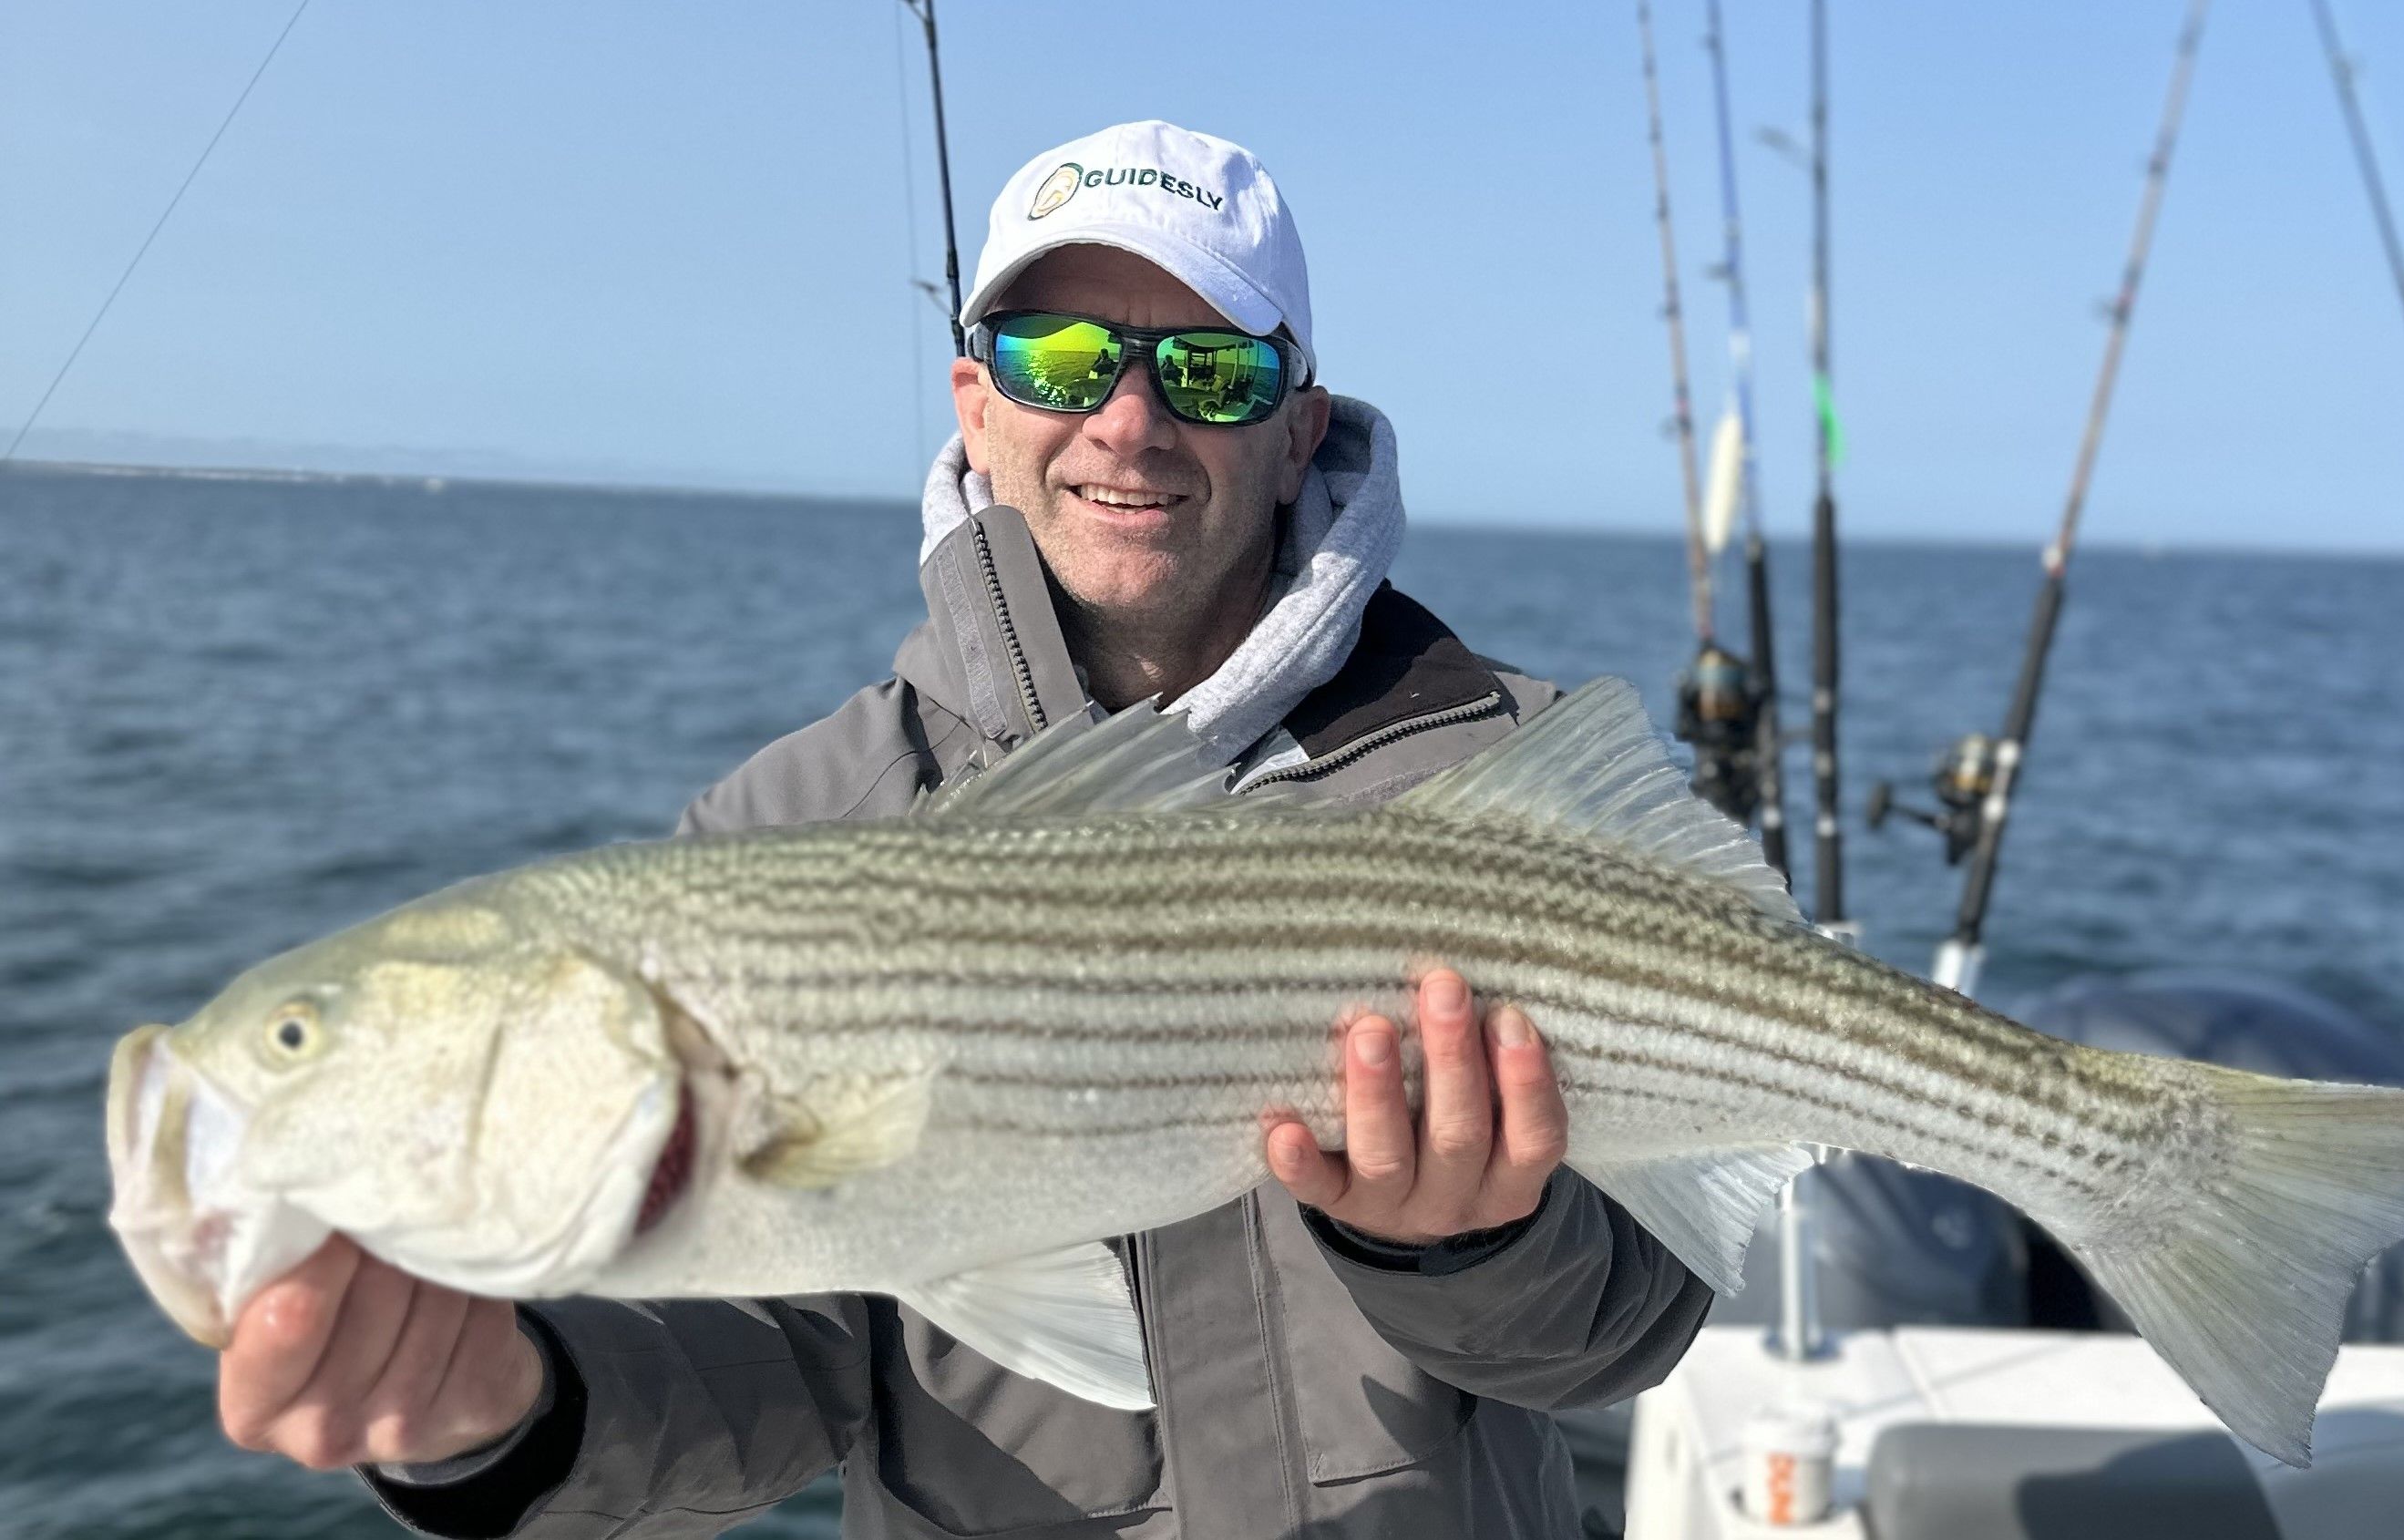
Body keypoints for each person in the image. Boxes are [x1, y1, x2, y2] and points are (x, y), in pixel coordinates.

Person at [212, 120, 1709, 1537]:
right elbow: (773, 1361)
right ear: (976, 404)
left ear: (1296, 422)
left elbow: (1630, 1332)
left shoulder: (1497, 767)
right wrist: (505, 1405)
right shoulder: (779, 830)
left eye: (1208, 365)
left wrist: (1462, 1242)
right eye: (1058, 358)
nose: (1130, 418)